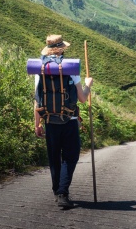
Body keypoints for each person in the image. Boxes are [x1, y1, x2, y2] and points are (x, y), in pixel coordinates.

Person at [34, 34, 93, 209]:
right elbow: (82, 98)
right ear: (61, 49)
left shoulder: (40, 68)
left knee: (54, 158)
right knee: (71, 156)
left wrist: (37, 123)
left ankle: (56, 190)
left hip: (49, 121)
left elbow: (37, 100)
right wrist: (88, 84)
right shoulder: (70, 68)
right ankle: (62, 193)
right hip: (69, 120)